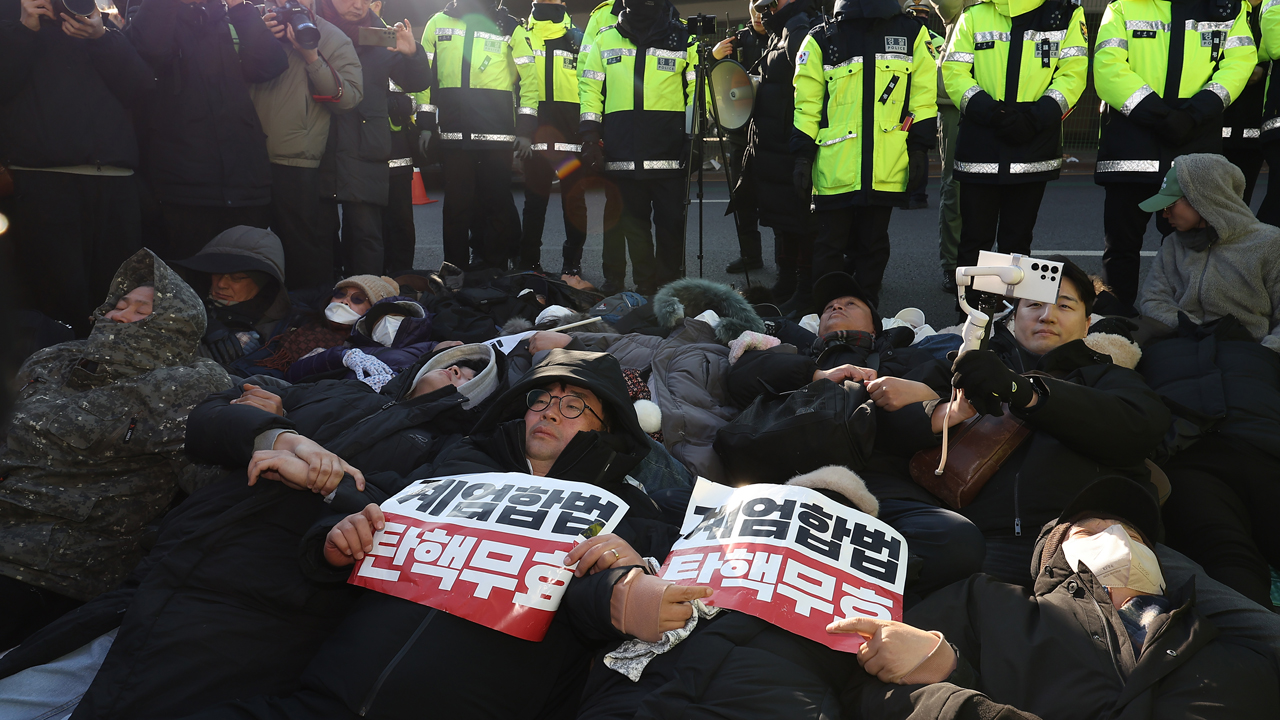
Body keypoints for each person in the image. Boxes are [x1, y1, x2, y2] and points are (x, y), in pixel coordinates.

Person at [177, 350, 696, 720]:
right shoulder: (455, 464)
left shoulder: (628, 510)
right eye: (542, 399)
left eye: (573, 405)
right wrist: (332, 543)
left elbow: (606, 593)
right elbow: (378, 509)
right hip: (322, 699)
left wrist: (625, 595)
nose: (549, 412)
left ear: (606, 430)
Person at [0, 345, 499, 720]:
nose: (457, 370)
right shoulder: (336, 391)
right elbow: (207, 419)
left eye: (473, 373)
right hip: (158, 575)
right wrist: (273, 431)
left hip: (251, 612)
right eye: (452, 358)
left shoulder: (448, 452)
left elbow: (408, 521)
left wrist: (329, 484)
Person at [836, 477, 1280, 720]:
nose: (1118, 539)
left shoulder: (1237, 656)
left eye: (1134, 536)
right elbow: (872, 690)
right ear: (1054, 556)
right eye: (1090, 531)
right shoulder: (985, 605)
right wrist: (942, 668)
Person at [0, 249, 233, 651]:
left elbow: (215, 480)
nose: (120, 314)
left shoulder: (188, 384)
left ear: (176, 325)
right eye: (120, 304)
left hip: (49, 567)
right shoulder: (54, 358)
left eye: (142, 310)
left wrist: (266, 427)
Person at [727, 271, 987, 604]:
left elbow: (950, 403)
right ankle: (851, 582)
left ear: (876, 327)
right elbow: (739, 380)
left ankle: (817, 578)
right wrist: (818, 375)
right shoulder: (794, 354)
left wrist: (920, 399)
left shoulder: (908, 359)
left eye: (850, 303)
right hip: (789, 481)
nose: (836, 307)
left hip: (880, 485)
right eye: (828, 307)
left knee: (958, 540)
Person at [947, 257, 1171, 582]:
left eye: (1064, 306)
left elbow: (1143, 427)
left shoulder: (1110, 377)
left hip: (1103, 541)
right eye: (1034, 304)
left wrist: (1026, 392)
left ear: (1087, 323)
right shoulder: (967, 364)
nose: (1047, 315)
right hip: (983, 545)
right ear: (1012, 318)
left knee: (1247, 627)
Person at [1136, 154, 1280, 607]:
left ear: (1207, 199)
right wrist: (1189, 329)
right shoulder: (1174, 247)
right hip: (1181, 364)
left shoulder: (1268, 244)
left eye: (1173, 202)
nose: (1166, 212)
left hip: (1246, 367)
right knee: (1224, 549)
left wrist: (1259, 354)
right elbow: (1152, 299)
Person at [1, 0, 153, 338]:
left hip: (116, 180)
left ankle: (112, 379)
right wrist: (24, 28)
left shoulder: (95, 20)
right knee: (58, 306)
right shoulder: (12, 16)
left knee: (116, 300)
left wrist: (101, 36)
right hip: (44, 180)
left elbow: (140, 86)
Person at [1092, 0, 1256, 308]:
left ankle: (1186, 323)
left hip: (1175, 141)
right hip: (1148, 146)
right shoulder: (1124, 6)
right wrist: (1175, 116)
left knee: (1193, 246)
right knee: (1122, 247)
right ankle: (1115, 325)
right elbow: (1107, 67)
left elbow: (1240, 62)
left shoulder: (1229, 7)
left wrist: (1189, 114)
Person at [792, 0, 938, 310]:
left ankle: (865, 314)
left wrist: (919, 148)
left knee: (873, 245)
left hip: (885, 162)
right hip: (836, 165)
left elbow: (923, 99)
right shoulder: (821, 38)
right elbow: (807, 106)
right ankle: (827, 315)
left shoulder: (912, 33)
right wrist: (802, 155)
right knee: (829, 246)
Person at [126, 0, 289, 260]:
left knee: (243, 278)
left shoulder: (225, 16)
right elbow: (149, 50)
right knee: (188, 282)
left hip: (244, 181)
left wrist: (240, 8)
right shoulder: (150, 12)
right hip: (183, 185)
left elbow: (270, 65)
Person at [942, 0, 1087, 271]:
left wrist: (1034, 117)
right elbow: (953, 71)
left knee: (1016, 243)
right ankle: (973, 311)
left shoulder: (1066, 13)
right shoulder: (975, 12)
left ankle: (1011, 314)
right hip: (988, 143)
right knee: (975, 241)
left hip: (1028, 143)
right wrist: (994, 113)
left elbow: (1074, 73)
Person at [579, 0, 698, 296]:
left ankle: (669, 289)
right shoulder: (605, 37)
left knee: (671, 227)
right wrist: (590, 137)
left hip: (669, 154)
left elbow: (698, 91)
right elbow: (590, 90)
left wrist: (693, 137)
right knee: (633, 228)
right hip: (622, 154)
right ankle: (645, 287)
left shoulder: (684, 39)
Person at [252, 0, 364, 291]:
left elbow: (349, 98)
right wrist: (255, 36)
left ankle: (306, 320)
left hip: (296, 159)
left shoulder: (332, 36)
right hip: (244, 154)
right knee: (247, 246)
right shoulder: (249, 24)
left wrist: (312, 57)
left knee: (301, 248)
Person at [315, 0, 431, 277]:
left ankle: (364, 300)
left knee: (365, 235)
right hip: (318, 143)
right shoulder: (310, 27)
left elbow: (417, 82)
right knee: (319, 235)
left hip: (364, 146)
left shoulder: (380, 34)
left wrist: (412, 53)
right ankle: (324, 302)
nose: (358, 5)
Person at [418, 0, 525, 271]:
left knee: (497, 204)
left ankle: (495, 269)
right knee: (456, 207)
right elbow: (425, 79)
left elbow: (529, 80)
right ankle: (453, 269)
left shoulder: (510, 26)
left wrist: (525, 127)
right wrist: (426, 123)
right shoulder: (436, 23)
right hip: (455, 133)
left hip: (496, 134)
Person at [730, 0, 819, 309]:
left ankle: (804, 288)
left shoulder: (801, 30)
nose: (763, 6)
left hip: (789, 143)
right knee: (783, 219)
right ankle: (788, 281)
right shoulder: (781, 30)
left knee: (800, 220)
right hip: (773, 144)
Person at [511, 0, 590, 277]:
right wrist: (520, 131)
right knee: (534, 203)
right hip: (534, 137)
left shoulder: (580, 38)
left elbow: (590, 86)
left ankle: (572, 265)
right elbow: (512, 86)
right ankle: (529, 263)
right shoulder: (522, 35)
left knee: (574, 202)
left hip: (571, 138)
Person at [173, 226, 294, 370]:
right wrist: (201, 320)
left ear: (264, 282)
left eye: (237, 278)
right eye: (216, 273)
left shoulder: (283, 330)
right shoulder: (179, 297)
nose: (221, 284)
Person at [237, 274, 399, 378]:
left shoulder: (361, 350)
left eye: (357, 299)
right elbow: (267, 337)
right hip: (243, 370)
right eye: (340, 294)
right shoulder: (300, 318)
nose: (344, 301)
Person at [284, 295, 453, 384]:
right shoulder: (351, 350)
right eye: (379, 321)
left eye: (395, 317)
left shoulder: (431, 348)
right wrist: (340, 356)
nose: (386, 323)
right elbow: (293, 375)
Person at [713, 1, 768, 277]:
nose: (759, 14)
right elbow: (716, 84)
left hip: (773, 134)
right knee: (743, 198)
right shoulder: (735, 42)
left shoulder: (785, 38)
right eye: (754, 6)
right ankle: (750, 255)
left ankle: (792, 260)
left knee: (783, 198)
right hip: (740, 134)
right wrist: (714, 58)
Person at [929, 0, 980, 294]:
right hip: (954, 101)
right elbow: (947, 7)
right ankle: (952, 264)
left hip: (1001, 96)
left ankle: (989, 265)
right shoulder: (961, 8)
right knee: (955, 186)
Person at [579, 0, 629, 295]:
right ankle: (614, 279)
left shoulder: (666, 17)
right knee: (615, 208)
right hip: (613, 127)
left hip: (653, 127)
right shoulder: (600, 17)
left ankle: (659, 282)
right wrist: (592, 130)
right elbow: (587, 76)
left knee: (660, 212)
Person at [1221, 0, 1266, 206]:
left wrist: (1262, 68)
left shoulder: (1269, 9)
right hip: (1216, 120)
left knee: (1240, 203)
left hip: (1254, 123)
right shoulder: (1222, 8)